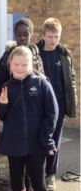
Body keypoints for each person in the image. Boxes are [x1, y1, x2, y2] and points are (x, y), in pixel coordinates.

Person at [0, 46, 59, 191]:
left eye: (24, 65)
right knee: (17, 184)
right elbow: (3, 116)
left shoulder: (41, 83)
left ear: (31, 64)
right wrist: (3, 105)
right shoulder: (6, 87)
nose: (20, 68)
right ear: (10, 63)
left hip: (37, 144)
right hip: (15, 145)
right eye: (16, 64)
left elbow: (52, 113)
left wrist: (46, 137)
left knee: (39, 184)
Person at [36, 18, 77, 190]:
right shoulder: (34, 52)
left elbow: (70, 78)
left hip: (59, 102)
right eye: (50, 36)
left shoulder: (64, 53)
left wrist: (72, 100)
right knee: (38, 136)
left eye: (57, 36)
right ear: (43, 35)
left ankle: (50, 173)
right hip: (39, 102)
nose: (53, 40)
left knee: (55, 138)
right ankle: (37, 171)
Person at [0, 18, 45, 96]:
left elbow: (44, 84)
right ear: (15, 35)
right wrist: (15, 87)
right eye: (19, 34)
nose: (22, 38)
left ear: (31, 36)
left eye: (26, 34)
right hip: (14, 104)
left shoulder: (36, 57)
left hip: (34, 104)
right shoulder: (6, 58)